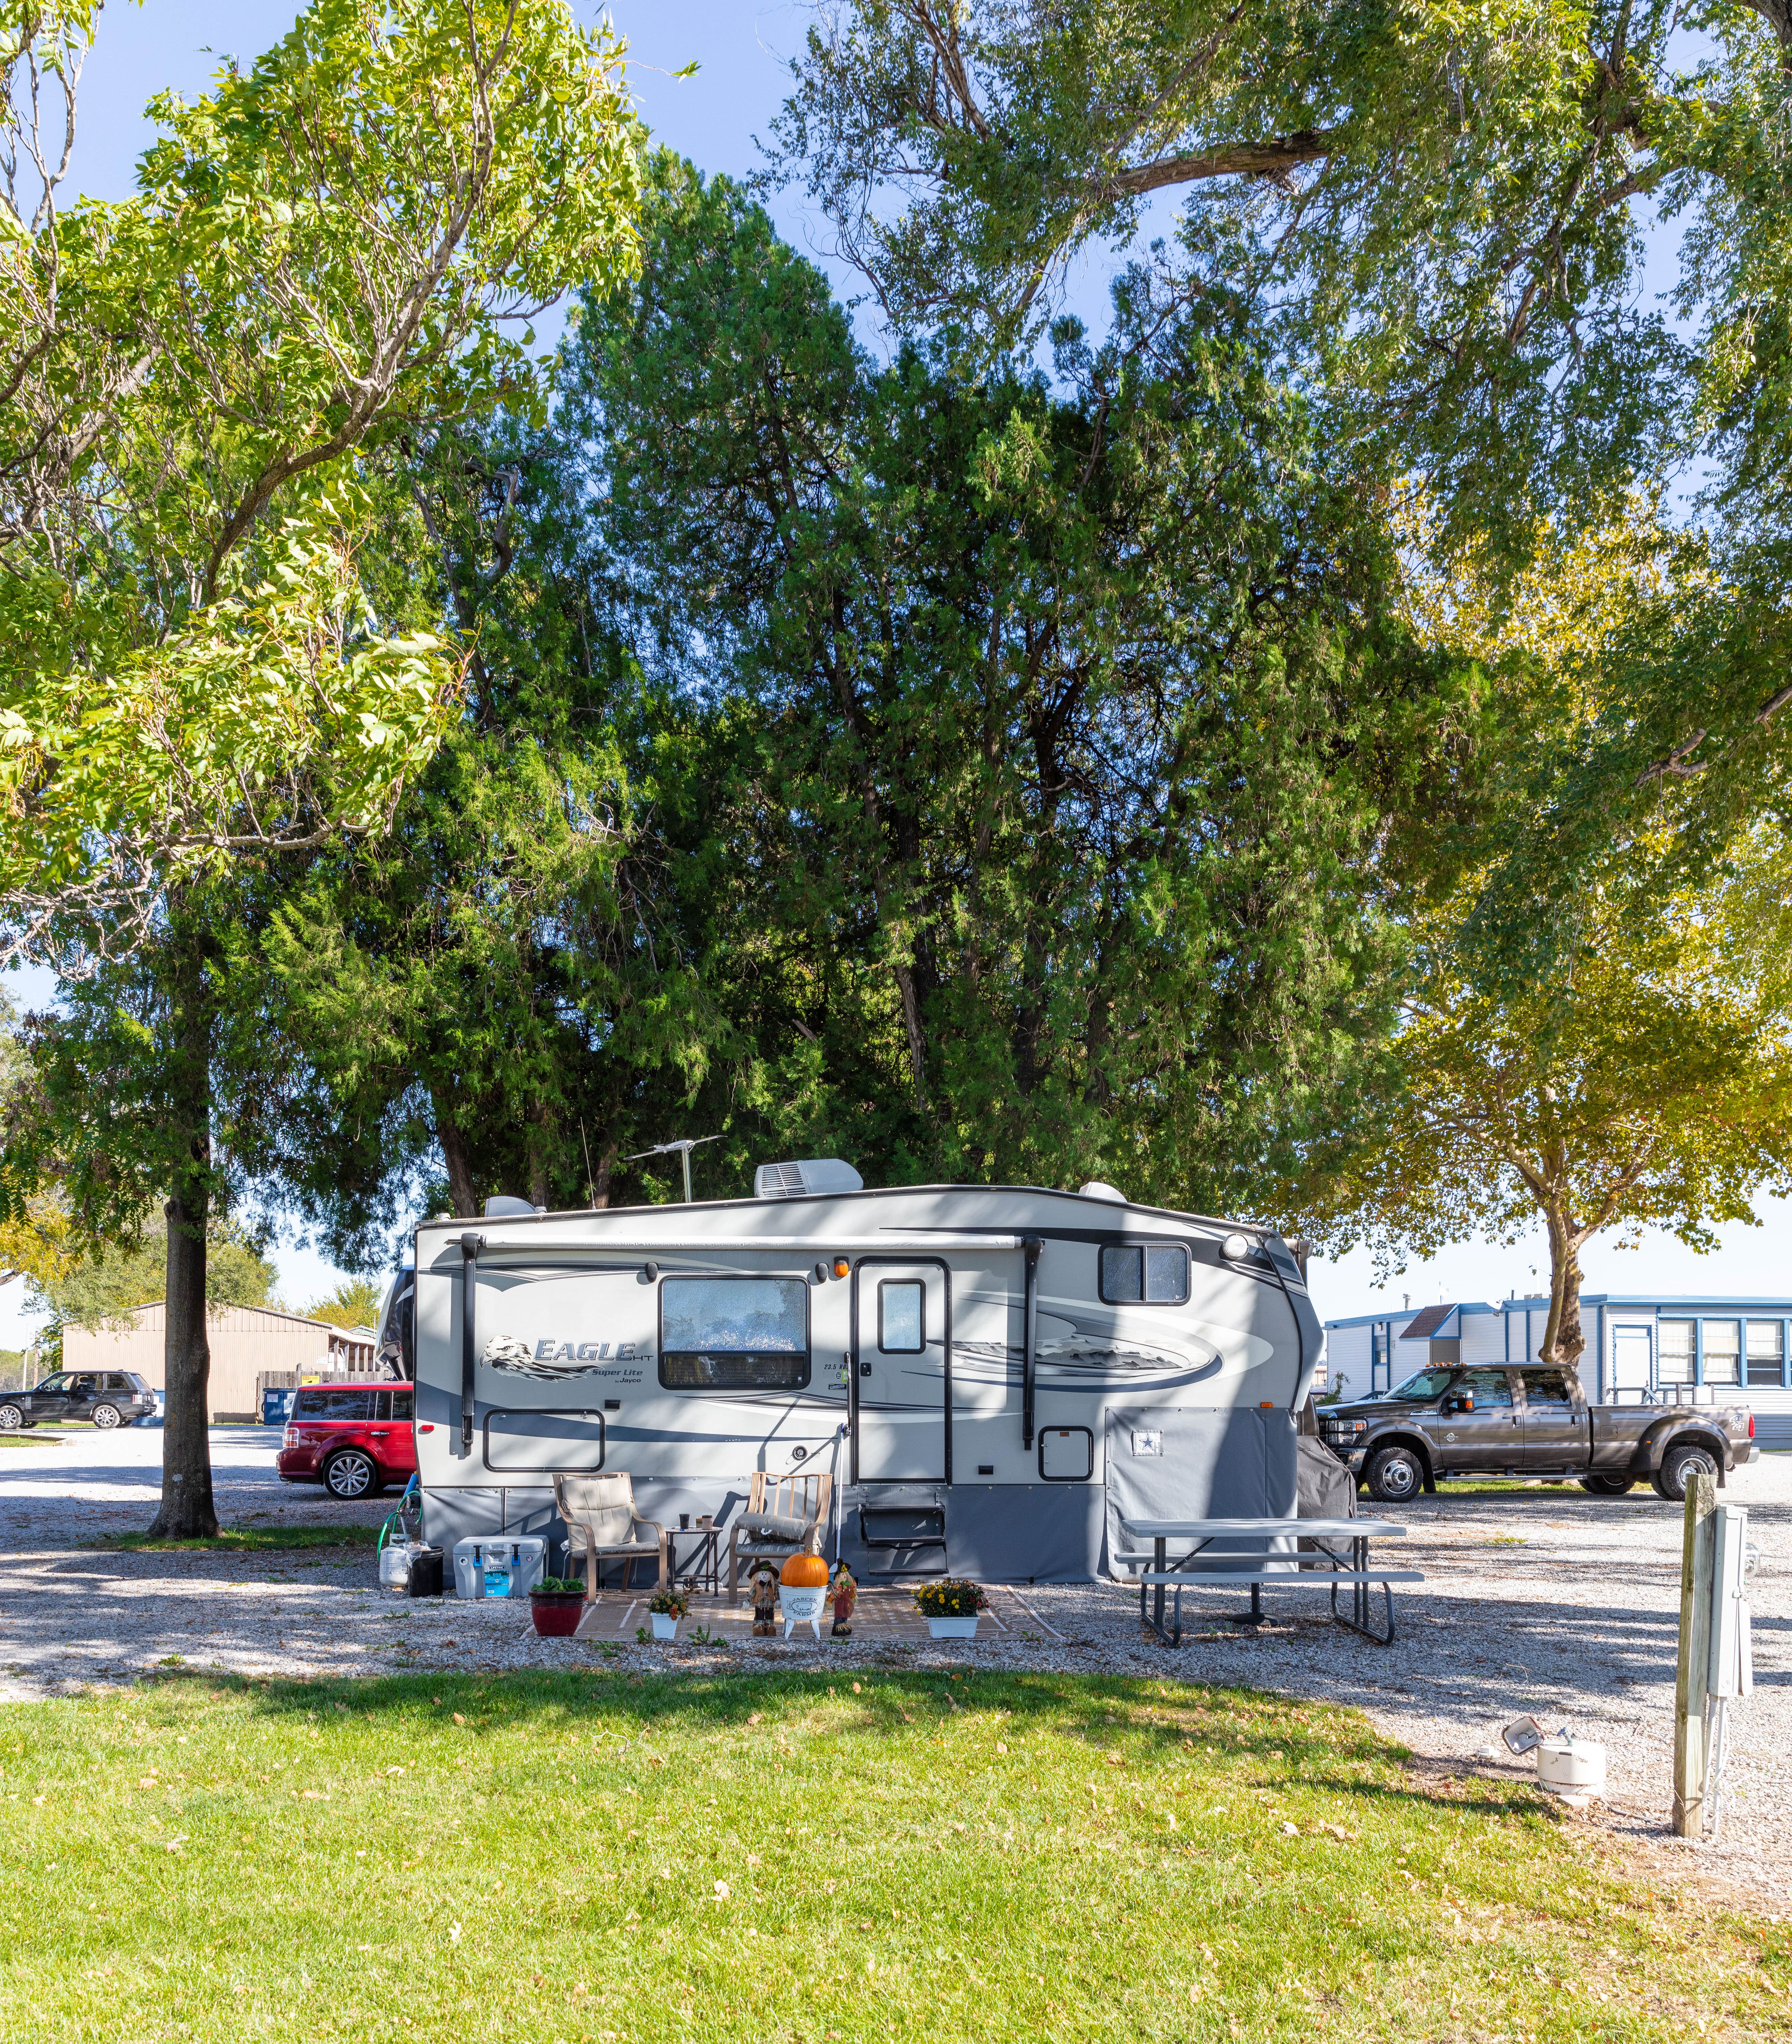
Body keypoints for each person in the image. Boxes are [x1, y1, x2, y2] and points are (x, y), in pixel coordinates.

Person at [829, 1561, 858, 1638]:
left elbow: (851, 1593)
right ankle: (837, 1627)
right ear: (839, 1577)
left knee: (845, 1615)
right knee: (839, 1616)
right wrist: (829, 1601)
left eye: (845, 1575)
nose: (844, 1576)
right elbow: (834, 1594)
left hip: (847, 1604)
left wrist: (854, 1597)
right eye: (843, 1575)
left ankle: (844, 1627)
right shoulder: (839, 1587)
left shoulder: (849, 1585)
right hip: (840, 1604)